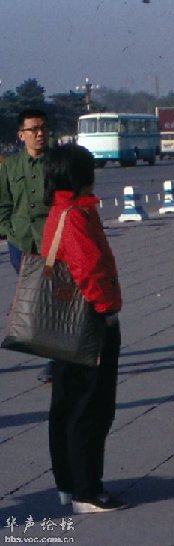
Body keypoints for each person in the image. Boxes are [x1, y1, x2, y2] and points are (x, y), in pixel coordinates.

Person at [42, 145, 125, 513]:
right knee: (90, 407)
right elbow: (87, 269)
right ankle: (86, 490)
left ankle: (68, 483)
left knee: (66, 405)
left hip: (62, 324)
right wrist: (108, 310)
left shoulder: (60, 210)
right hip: (87, 323)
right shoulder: (75, 215)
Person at [0, 109, 54, 383]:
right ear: (21, 135)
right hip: (21, 241)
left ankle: (55, 358)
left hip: (51, 240)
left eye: (43, 128)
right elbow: (3, 204)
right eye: (33, 129)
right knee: (33, 301)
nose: (40, 133)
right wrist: (8, 230)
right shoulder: (10, 166)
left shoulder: (57, 163)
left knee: (51, 298)